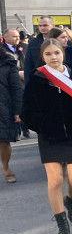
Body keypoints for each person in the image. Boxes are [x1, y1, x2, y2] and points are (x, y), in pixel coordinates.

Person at [21, 38, 72, 234]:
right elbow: (27, 111)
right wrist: (42, 126)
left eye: (56, 53)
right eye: (48, 54)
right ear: (42, 57)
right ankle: (62, 223)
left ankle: (71, 201)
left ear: (63, 53)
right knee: (55, 180)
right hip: (50, 136)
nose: (53, 57)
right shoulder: (37, 78)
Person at [0, 42, 22, 183]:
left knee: (4, 141)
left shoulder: (7, 62)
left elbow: (16, 89)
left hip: (3, 107)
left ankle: (6, 167)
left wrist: (17, 111)